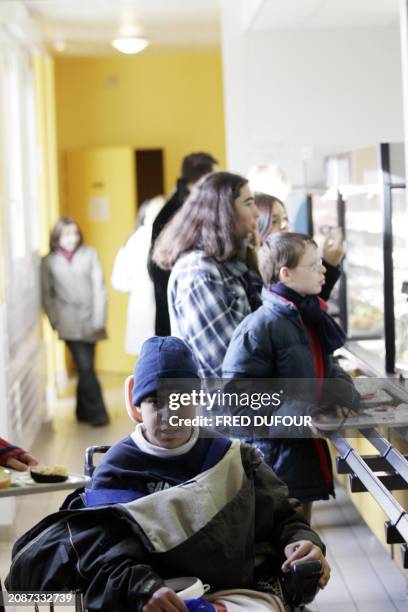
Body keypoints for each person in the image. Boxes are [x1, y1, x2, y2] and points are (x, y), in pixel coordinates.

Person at [7, 336, 330, 612]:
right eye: (154, 402)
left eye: (181, 400)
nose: (168, 415)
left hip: (234, 594)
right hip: (150, 599)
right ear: (136, 406)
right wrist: (142, 588)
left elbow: (286, 519)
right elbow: (100, 556)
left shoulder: (233, 459)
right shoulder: (118, 469)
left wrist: (302, 542)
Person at [223, 233, 360, 522]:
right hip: (273, 464)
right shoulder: (260, 327)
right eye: (314, 265)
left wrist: (342, 397)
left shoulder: (307, 317)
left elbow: (326, 367)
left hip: (300, 458)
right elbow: (239, 402)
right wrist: (302, 416)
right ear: (286, 274)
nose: (323, 270)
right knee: (281, 550)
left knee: (301, 540)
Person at [153, 172, 262, 378]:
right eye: (248, 203)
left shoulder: (230, 262)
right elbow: (227, 364)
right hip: (223, 407)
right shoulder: (199, 271)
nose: (257, 213)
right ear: (223, 212)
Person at [41, 217, 109, 426]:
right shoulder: (48, 261)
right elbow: (47, 294)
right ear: (57, 237)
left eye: (75, 233)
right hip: (67, 321)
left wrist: (99, 319)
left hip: (91, 320)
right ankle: (99, 413)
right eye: (67, 234)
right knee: (86, 366)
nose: (72, 238)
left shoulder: (89, 254)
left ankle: (82, 411)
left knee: (85, 367)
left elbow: (100, 288)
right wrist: (54, 320)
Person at [148, 152, 219, 336]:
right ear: (202, 179)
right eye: (213, 178)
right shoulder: (178, 213)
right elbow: (158, 268)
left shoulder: (183, 207)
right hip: (183, 310)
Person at [255, 193, 343, 302]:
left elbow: (308, 305)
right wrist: (329, 266)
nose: (284, 225)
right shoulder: (254, 277)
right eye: (274, 221)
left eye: (285, 218)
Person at [111, 195, 165, 355]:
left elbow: (120, 282)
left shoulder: (134, 239)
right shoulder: (146, 239)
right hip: (151, 311)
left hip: (143, 309)